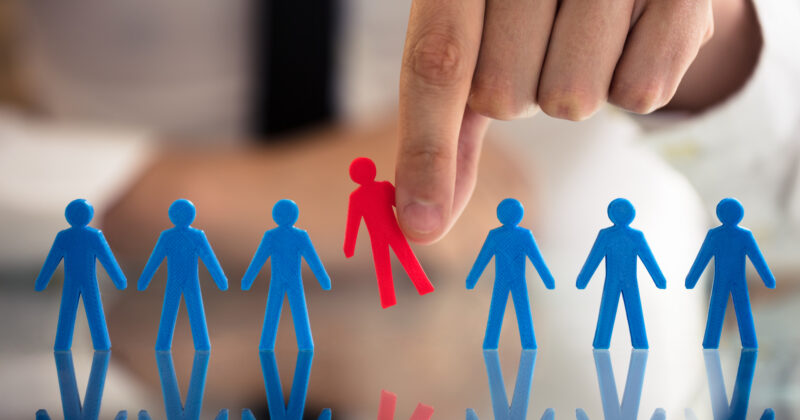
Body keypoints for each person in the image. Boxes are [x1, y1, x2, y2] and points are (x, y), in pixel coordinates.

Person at [35, 199, 127, 351]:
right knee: (90, 310)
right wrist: (119, 279)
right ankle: (100, 344)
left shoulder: (70, 236)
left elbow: (51, 261)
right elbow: (108, 259)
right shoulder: (91, 236)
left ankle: (66, 344)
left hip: (79, 281)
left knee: (71, 311)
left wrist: (42, 281)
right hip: (85, 281)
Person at [137, 199, 229, 351]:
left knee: (190, 310)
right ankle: (169, 344)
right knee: (176, 310)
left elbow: (209, 258)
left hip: (187, 280)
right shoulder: (172, 236)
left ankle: (196, 344)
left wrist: (220, 279)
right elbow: (156, 258)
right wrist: (144, 279)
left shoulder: (193, 236)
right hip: (179, 280)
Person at [241, 199, 331, 351]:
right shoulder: (286, 236)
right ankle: (297, 345)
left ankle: (271, 345)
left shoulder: (278, 236)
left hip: (287, 279)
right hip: (285, 279)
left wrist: (248, 279)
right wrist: (323, 279)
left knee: (283, 310)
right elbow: (259, 258)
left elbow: (312, 258)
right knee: (290, 310)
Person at [576, 198, 667, 349]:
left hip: (617, 281)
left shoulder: (609, 235)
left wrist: (583, 280)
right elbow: (649, 259)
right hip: (626, 281)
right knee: (629, 308)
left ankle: (602, 342)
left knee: (610, 308)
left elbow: (593, 259)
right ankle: (637, 342)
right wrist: (659, 279)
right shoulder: (632, 236)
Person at [686, 197, 776, 349]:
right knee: (739, 308)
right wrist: (767, 278)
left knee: (721, 307)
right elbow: (757, 259)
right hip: (733, 279)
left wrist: (692, 279)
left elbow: (702, 259)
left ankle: (712, 341)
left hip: (726, 279)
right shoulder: (738, 235)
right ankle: (743, 341)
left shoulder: (720, 235)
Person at [466, 198, 554, 350]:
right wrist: (547, 279)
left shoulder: (504, 235)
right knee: (514, 309)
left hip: (508, 279)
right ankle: (524, 343)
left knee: (502, 309)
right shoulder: (518, 235)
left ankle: (493, 342)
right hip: (512, 279)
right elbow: (536, 259)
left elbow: (482, 259)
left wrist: (472, 279)